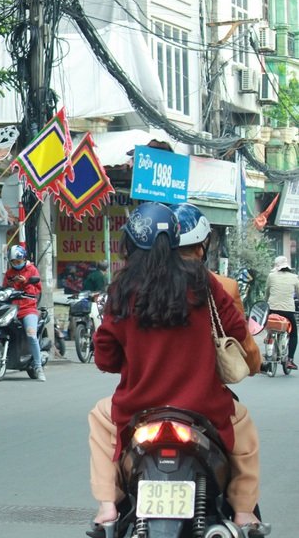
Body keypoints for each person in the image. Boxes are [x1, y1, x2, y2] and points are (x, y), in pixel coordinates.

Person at [87, 202, 265, 536]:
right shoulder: (204, 282)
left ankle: (108, 506)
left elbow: (105, 358)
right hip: (205, 408)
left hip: (137, 411)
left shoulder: (122, 289)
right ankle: (242, 513)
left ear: (130, 244)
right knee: (244, 430)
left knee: (99, 418)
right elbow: (238, 334)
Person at [171, 203, 262, 369]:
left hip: (141, 393)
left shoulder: (136, 286)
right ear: (201, 248)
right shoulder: (222, 286)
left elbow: (110, 358)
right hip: (207, 391)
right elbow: (247, 353)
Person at [4, 244, 45, 381]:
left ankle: (38, 367)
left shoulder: (32, 270)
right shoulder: (10, 273)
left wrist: (25, 282)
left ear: (24, 259)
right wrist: (10, 284)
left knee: (31, 335)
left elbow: (37, 290)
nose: (16, 264)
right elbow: (4, 288)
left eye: (18, 261)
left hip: (28, 308)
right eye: (14, 262)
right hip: (12, 308)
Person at [265, 255, 299, 371]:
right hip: (288, 311)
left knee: (270, 325)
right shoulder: (295, 277)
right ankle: (290, 360)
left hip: (272, 308)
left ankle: (268, 337)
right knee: (293, 333)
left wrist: (266, 304)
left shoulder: (271, 276)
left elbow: (267, 292)